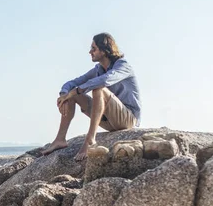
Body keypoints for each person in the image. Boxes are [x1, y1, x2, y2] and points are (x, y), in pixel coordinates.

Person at [42, 32, 141, 161]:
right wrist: (64, 95)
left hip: (128, 119)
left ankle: (90, 139)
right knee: (71, 92)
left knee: (98, 89)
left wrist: (77, 90)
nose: (90, 52)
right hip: (108, 120)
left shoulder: (123, 66)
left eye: (93, 48)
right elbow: (73, 83)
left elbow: (105, 80)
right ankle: (60, 139)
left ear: (104, 50)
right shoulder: (98, 69)